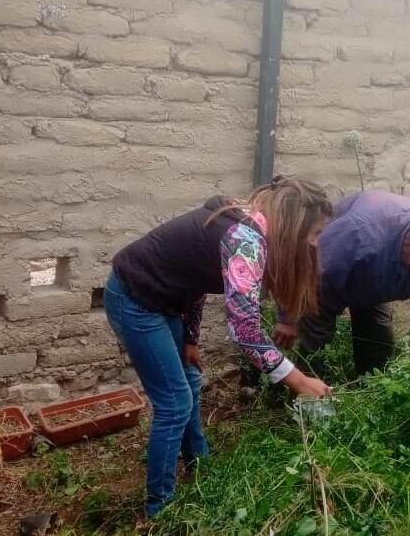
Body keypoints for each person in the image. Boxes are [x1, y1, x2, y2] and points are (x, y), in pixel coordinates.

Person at [104, 177, 334, 518]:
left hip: (164, 300)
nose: (316, 244)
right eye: (314, 234)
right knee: (174, 402)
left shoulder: (252, 225)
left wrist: (191, 338)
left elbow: (194, 275)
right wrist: (300, 382)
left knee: (191, 383)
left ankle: (200, 464)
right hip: (135, 298)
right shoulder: (246, 241)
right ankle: (160, 509)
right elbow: (245, 331)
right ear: (295, 226)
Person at [278, 190, 410, 377]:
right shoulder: (355, 235)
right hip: (326, 282)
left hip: (373, 282)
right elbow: (305, 269)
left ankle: (367, 394)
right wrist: (287, 317)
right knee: (315, 345)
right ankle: (302, 404)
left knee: (379, 346)